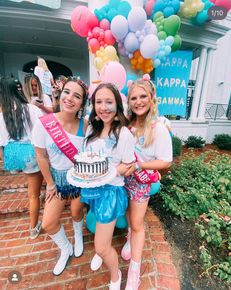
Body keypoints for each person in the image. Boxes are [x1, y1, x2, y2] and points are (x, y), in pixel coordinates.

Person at [80, 83, 135, 290]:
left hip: (110, 192)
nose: (103, 107)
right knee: (102, 230)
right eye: (99, 102)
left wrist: (109, 172)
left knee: (102, 246)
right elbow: (87, 157)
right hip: (91, 188)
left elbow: (128, 165)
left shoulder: (123, 134)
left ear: (117, 104)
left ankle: (115, 275)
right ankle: (100, 252)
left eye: (109, 102)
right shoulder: (92, 128)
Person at [32, 77, 89, 276]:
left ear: (82, 103)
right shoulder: (44, 124)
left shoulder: (86, 125)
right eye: (67, 92)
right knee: (48, 222)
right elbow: (40, 155)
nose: (70, 98)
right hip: (55, 180)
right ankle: (65, 248)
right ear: (60, 93)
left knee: (76, 213)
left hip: (78, 180)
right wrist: (49, 184)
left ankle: (78, 235)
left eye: (77, 96)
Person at [121, 75, 173, 289]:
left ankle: (135, 271)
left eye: (143, 96)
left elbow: (166, 161)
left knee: (138, 223)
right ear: (129, 101)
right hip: (123, 178)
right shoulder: (126, 124)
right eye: (134, 98)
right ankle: (129, 238)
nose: (138, 101)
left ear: (151, 99)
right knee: (127, 214)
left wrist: (141, 166)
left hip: (140, 181)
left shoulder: (157, 127)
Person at [0, 77, 44, 239]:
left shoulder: (2, 115)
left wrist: (9, 162)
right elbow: (43, 132)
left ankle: (34, 226)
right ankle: (33, 228)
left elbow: (1, 143)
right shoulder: (32, 109)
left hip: (15, 155)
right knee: (34, 193)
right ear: (19, 91)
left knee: (32, 192)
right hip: (33, 154)